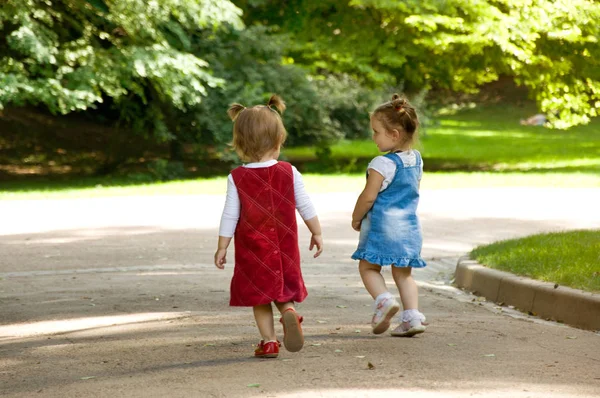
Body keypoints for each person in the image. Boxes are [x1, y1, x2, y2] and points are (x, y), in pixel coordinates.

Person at [214, 94, 324, 358]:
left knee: (259, 295)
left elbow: (230, 214)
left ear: (239, 144)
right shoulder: (289, 170)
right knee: (281, 287)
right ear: (277, 141)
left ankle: (269, 342)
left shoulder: (237, 177)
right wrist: (316, 232)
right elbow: (305, 205)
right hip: (284, 247)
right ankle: (288, 311)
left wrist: (221, 247)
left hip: (253, 249)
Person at [351, 94, 427, 337]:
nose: (373, 138)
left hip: (382, 228)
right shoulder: (416, 160)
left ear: (394, 134)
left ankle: (383, 300)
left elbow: (369, 197)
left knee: (368, 268)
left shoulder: (382, 164)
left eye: (376, 132)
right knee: (403, 274)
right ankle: (412, 317)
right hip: (409, 228)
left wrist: (356, 217)